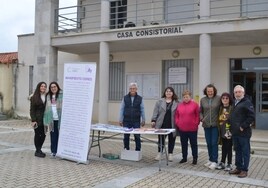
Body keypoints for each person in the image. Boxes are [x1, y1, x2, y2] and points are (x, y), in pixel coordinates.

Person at [229, 85, 255, 178]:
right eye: (236, 92)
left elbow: (251, 117)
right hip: (235, 132)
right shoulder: (234, 102)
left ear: (243, 93)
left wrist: (243, 126)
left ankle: (244, 170)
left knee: (245, 151)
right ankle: (238, 168)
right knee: (237, 151)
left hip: (243, 132)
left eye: (239, 92)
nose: (237, 93)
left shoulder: (247, 103)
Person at [151, 86, 179, 161]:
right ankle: (159, 153)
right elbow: (155, 112)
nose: (168, 93)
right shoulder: (159, 101)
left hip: (172, 124)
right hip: (161, 124)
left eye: (170, 91)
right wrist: (153, 120)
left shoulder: (176, 102)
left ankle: (170, 154)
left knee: (171, 140)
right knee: (161, 140)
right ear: (165, 93)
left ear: (173, 93)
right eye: (167, 91)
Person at [175, 90, 200, 164]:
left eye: (187, 97)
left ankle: (195, 158)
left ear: (190, 97)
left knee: (194, 144)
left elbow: (198, 115)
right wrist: (178, 123)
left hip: (192, 129)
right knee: (183, 144)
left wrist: (196, 123)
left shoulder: (195, 105)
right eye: (184, 97)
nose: (186, 98)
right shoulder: (179, 105)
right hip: (182, 129)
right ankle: (184, 157)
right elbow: (176, 115)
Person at [200, 84, 221, 170]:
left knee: (214, 143)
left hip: (215, 124)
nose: (210, 93)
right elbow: (200, 111)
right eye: (208, 91)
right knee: (208, 143)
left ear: (214, 91)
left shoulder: (219, 99)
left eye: (211, 91)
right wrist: (202, 118)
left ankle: (215, 161)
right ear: (206, 91)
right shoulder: (203, 100)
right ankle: (210, 159)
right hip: (206, 124)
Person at [119, 83, 145, 151]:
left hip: (136, 120)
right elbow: (122, 109)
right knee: (126, 136)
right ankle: (126, 149)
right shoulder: (125, 98)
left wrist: (143, 119)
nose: (132, 90)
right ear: (129, 89)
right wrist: (120, 119)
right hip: (126, 120)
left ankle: (138, 150)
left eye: (134, 88)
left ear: (136, 89)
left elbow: (142, 109)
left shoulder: (140, 98)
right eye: (131, 88)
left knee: (137, 136)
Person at [43, 82, 63, 158]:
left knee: (61, 136)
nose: (53, 88)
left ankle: (61, 151)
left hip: (60, 119)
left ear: (57, 87)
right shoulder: (48, 96)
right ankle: (53, 151)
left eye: (54, 87)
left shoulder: (62, 95)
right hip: (52, 119)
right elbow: (46, 108)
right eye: (51, 87)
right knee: (53, 136)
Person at [216, 92, 233, 171]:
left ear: (229, 99)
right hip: (222, 131)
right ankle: (222, 162)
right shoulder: (220, 108)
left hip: (229, 131)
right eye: (223, 98)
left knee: (229, 147)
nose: (225, 100)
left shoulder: (232, 108)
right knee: (223, 147)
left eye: (227, 98)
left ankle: (229, 163)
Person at [30, 82, 47, 158]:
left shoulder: (47, 96)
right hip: (37, 119)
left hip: (45, 119)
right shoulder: (34, 97)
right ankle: (38, 150)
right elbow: (32, 110)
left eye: (44, 86)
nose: (43, 87)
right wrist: (33, 120)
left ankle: (39, 149)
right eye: (42, 86)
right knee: (37, 135)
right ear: (39, 87)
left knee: (44, 134)